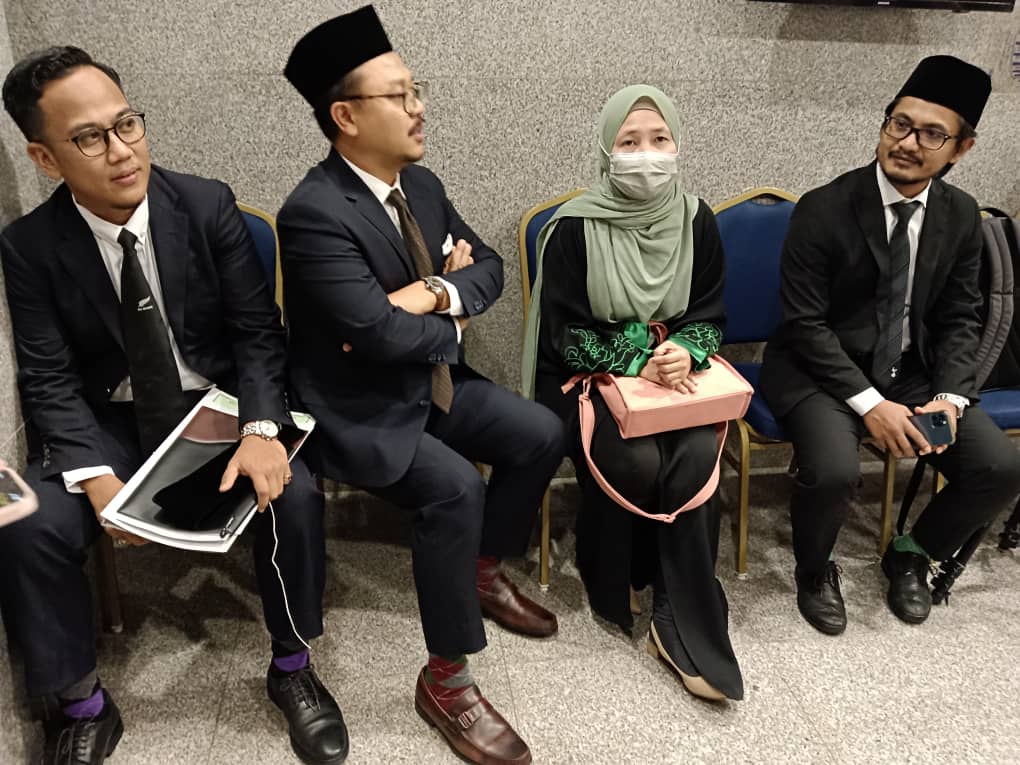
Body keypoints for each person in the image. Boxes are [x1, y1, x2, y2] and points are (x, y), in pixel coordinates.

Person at [0, 47, 347, 765]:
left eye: (126, 123)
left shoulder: (206, 203)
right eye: (89, 138)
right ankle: (81, 705)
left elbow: (257, 332)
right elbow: (48, 376)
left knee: (291, 494)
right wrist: (95, 477)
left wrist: (260, 427)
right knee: (27, 523)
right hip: (110, 419)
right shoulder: (29, 246)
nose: (121, 150)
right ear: (44, 158)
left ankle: (292, 666)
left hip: (214, 406)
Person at [278, 7, 564, 765]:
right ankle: (446, 680)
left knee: (541, 432)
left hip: (428, 382)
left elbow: (489, 268)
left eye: (417, 90)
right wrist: (446, 313)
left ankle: (480, 572)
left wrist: (433, 292)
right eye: (400, 94)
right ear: (345, 117)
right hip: (355, 405)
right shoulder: (312, 213)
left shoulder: (422, 184)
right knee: (454, 488)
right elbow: (370, 337)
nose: (419, 107)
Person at [760, 55, 1020, 635]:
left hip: (912, 371)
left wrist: (950, 396)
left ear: (962, 148)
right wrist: (871, 405)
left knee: (998, 467)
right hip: (819, 370)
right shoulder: (824, 207)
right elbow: (805, 324)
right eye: (899, 124)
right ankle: (814, 570)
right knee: (833, 470)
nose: (907, 142)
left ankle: (911, 553)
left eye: (931, 134)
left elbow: (960, 316)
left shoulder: (960, 214)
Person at [522, 85, 743, 702]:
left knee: (697, 452)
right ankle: (611, 578)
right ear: (605, 150)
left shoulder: (697, 220)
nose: (646, 154)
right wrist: (638, 359)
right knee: (637, 457)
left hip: (673, 376)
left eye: (659, 139)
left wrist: (688, 349)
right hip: (588, 375)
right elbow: (565, 336)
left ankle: (675, 612)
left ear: (678, 145)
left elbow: (710, 314)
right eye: (629, 142)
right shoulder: (572, 227)